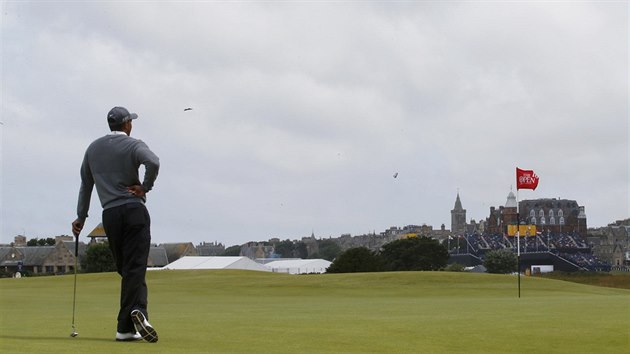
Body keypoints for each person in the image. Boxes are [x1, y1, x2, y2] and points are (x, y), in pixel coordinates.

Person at [71, 106, 160, 343]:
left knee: (127, 270)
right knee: (135, 268)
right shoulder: (134, 144)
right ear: (127, 124)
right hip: (133, 211)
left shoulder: (93, 149)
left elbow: (86, 185)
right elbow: (153, 161)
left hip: (109, 216)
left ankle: (126, 329)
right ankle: (136, 313)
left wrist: (81, 217)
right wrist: (145, 186)